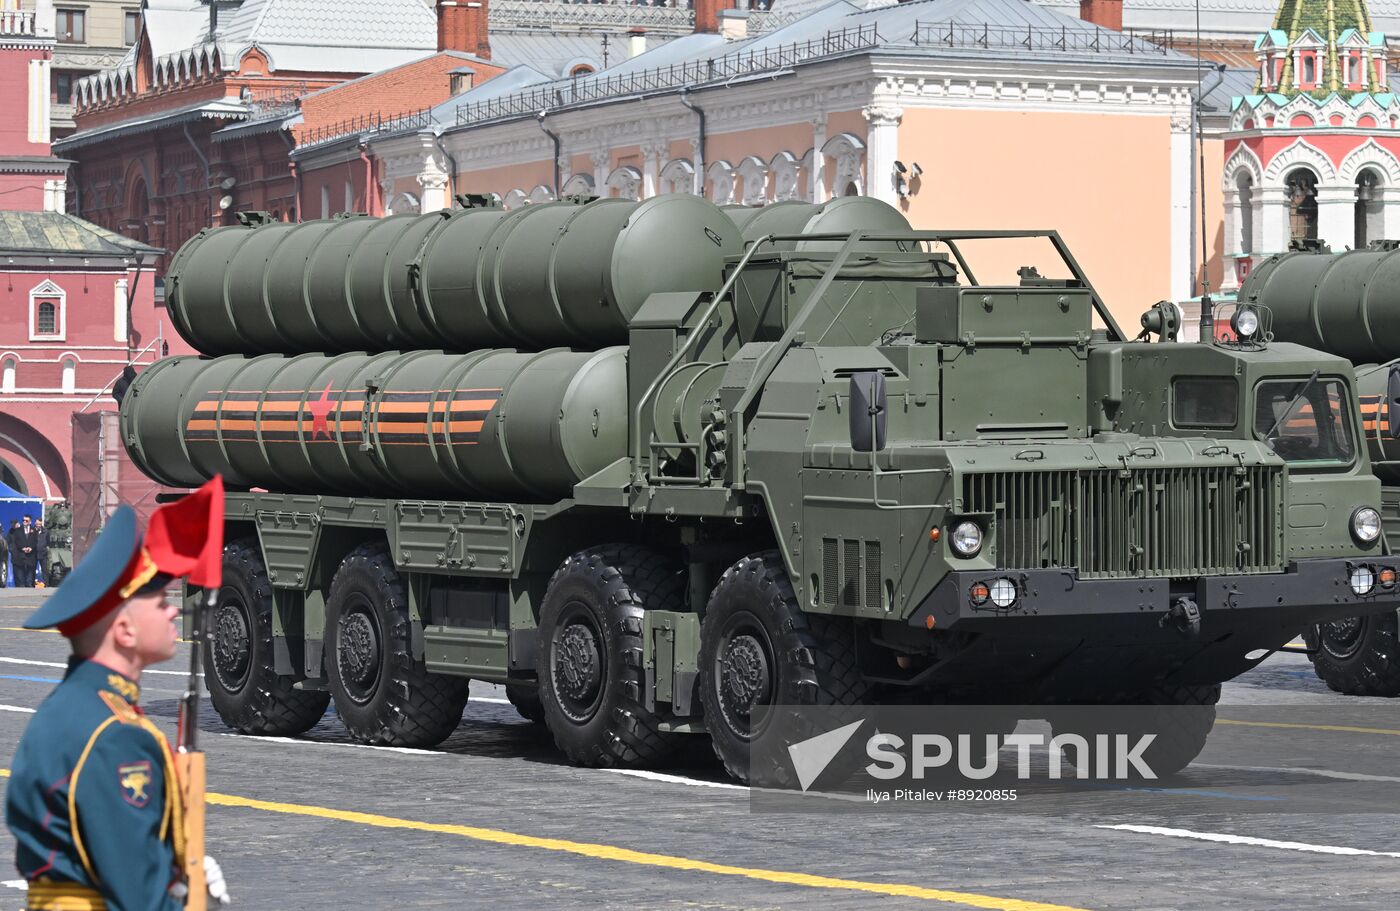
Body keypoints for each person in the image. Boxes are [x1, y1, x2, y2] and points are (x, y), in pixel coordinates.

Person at [4, 505, 231, 910]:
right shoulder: (117, 735)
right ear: (124, 630)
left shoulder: (67, 708)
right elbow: (140, 897)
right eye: (160, 601)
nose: (174, 609)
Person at [33, 520, 47, 587]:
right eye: (37, 524)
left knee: (44, 570)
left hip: (43, 553)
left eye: (39, 524)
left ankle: (46, 584)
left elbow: (48, 541)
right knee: (32, 569)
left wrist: (44, 548)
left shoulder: (45, 531)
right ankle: (31, 584)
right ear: (35, 524)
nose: (38, 525)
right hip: (34, 554)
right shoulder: (31, 531)